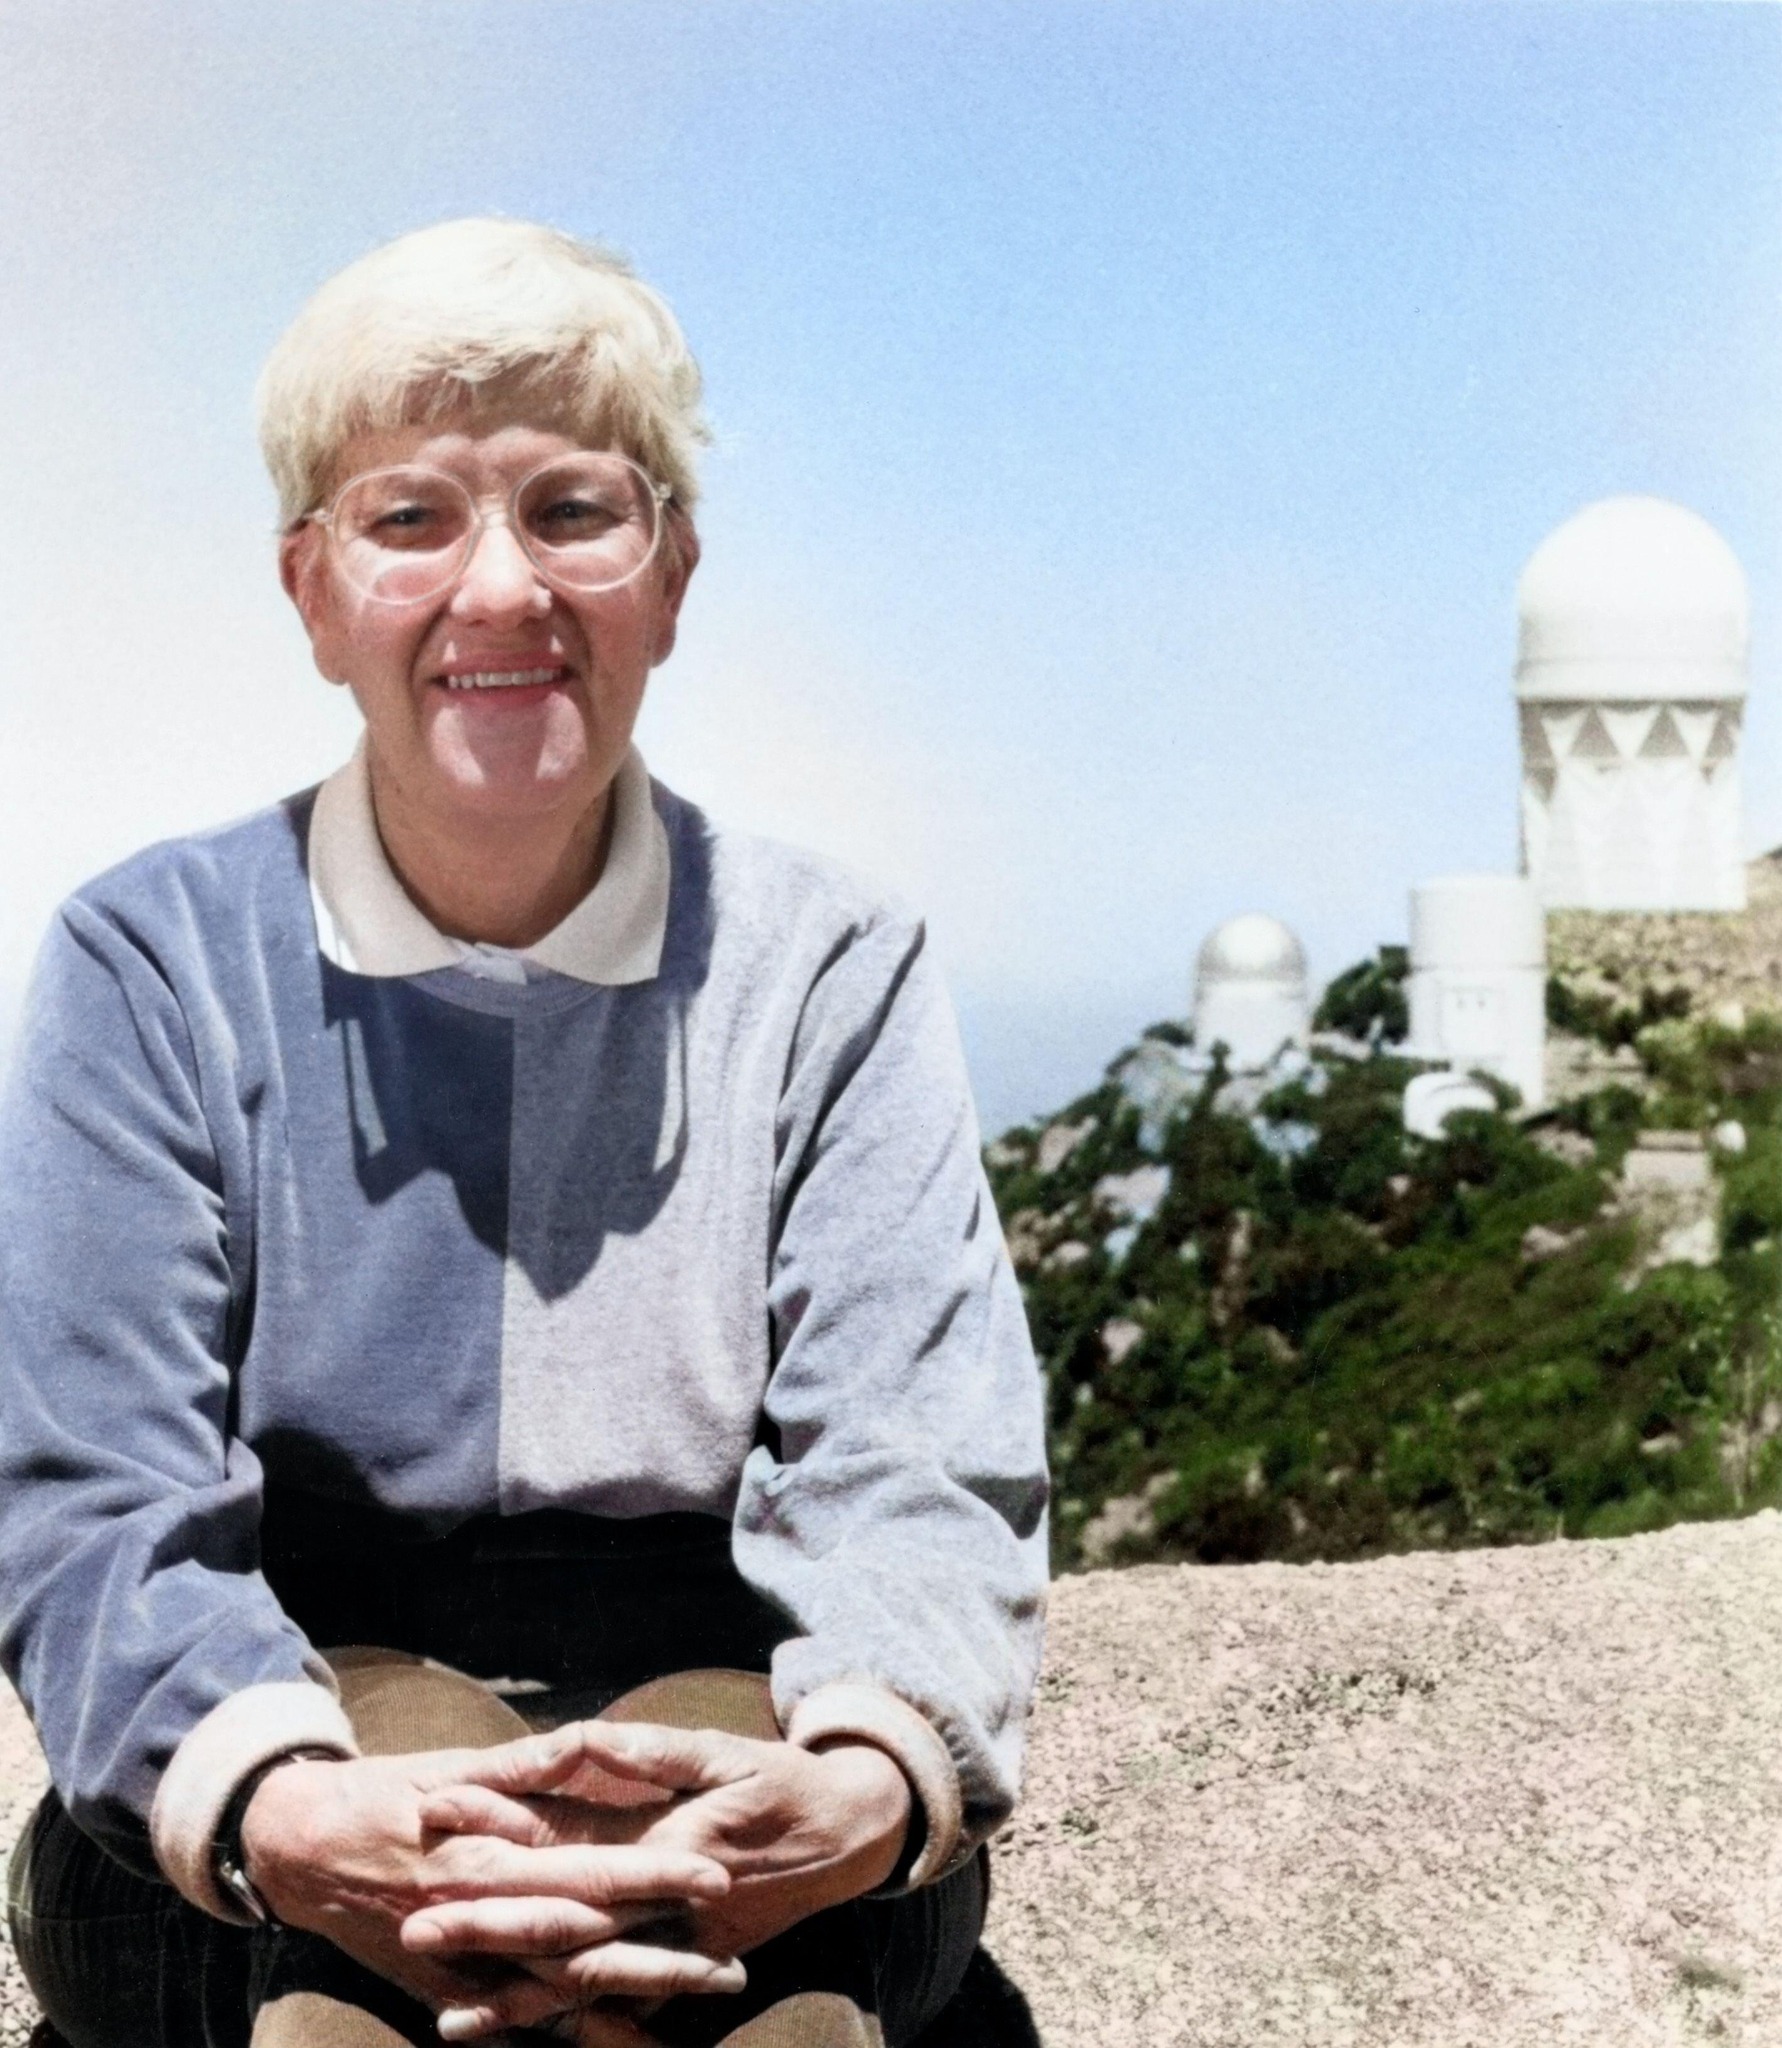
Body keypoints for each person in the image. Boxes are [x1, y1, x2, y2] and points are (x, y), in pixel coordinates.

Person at [0, 218, 1048, 2048]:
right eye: (410, 519)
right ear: (311, 591)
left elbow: (916, 1457)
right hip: (297, 1737)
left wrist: (872, 1772)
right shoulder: (149, 963)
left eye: (574, 510)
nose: (502, 591)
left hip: (727, 1732)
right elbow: (96, 1490)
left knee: (760, 1960)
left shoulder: (827, 968)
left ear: (672, 574)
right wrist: (279, 1803)